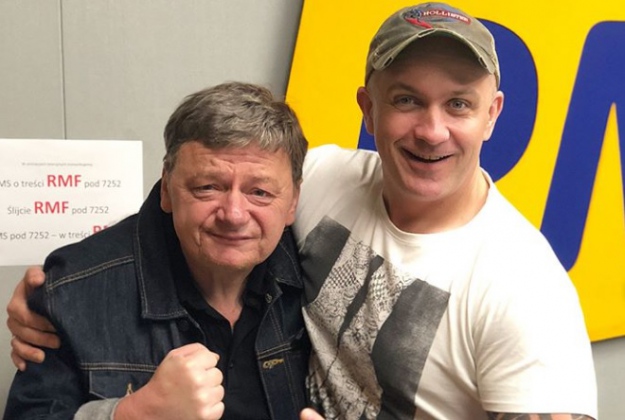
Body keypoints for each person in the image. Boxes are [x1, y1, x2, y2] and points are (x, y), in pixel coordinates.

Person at [7, 3, 598, 419]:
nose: (432, 129)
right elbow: (198, 183)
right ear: (368, 109)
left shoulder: (527, 290)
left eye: (460, 104)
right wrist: (62, 287)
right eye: (406, 99)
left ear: (493, 114)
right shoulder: (324, 178)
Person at [3, 81, 310, 420]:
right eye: (207, 187)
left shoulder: (316, 272)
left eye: (260, 193)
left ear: (293, 202)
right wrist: (132, 414)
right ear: (167, 188)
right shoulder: (76, 290)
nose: (234, 215)